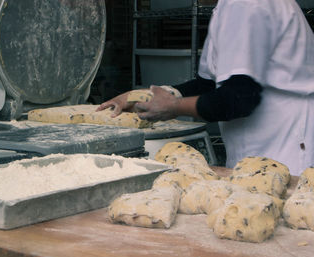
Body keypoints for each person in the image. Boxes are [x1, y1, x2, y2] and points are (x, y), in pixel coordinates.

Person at [97, 0, 314, 176]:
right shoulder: (228, 7)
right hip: (257, 151)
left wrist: (173, 107)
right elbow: (209, 83)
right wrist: (144, 97)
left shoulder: (247, 5)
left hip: (283, 150)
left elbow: (238, 99)